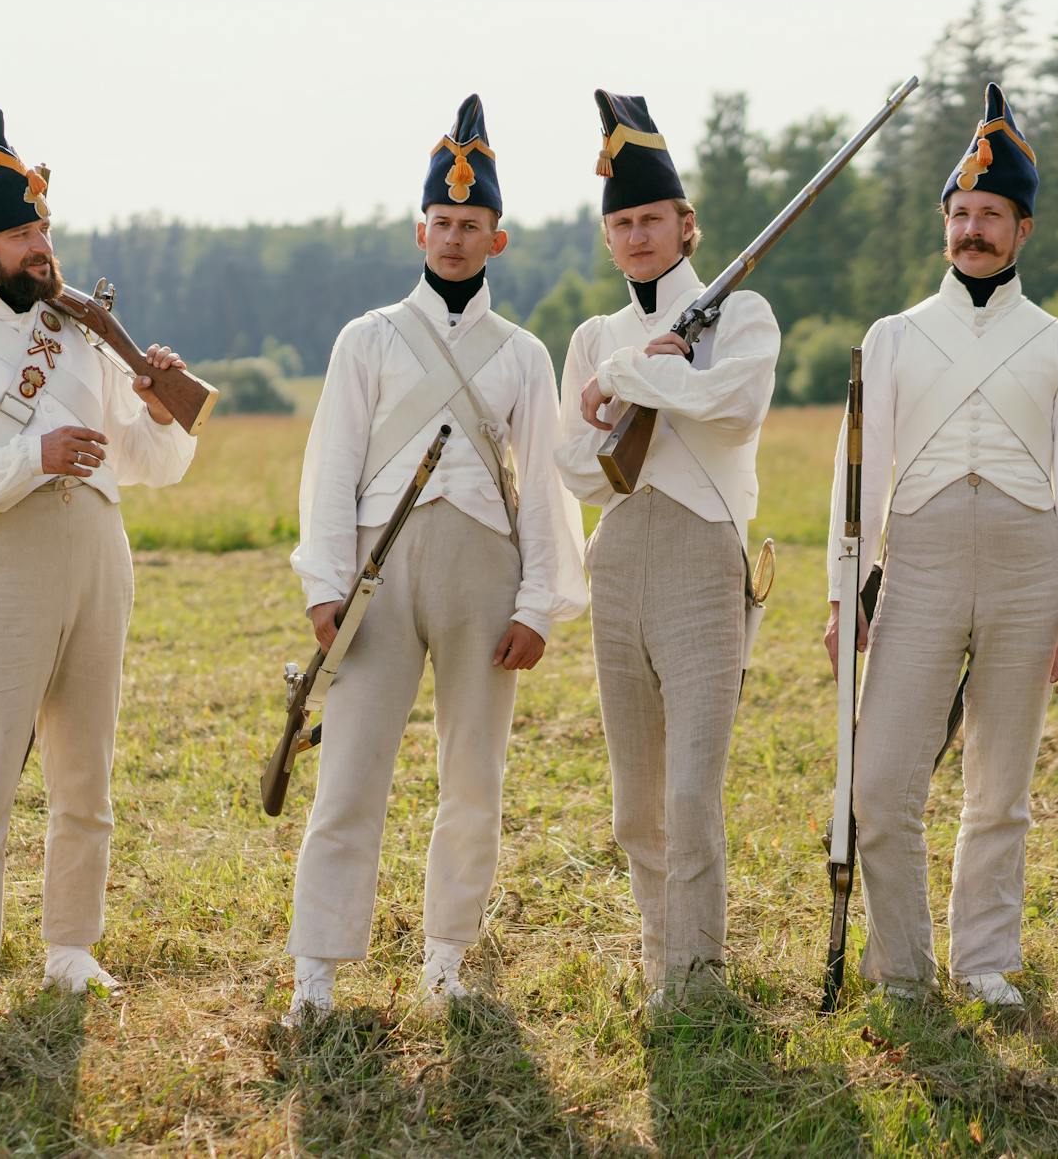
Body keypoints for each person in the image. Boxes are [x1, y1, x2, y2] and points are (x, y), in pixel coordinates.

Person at [0, 108, 198, 1016]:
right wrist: (35, 456)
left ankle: (70, 946)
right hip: (3, 557)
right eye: (22, 233)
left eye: (43, 228)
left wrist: (161, 409)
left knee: (86, 770)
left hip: (100, 551)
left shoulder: (82, 332)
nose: (41, 246)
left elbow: (153, 465)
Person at [285, 95, 585, 1020]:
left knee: (474, 777)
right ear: (421, 230)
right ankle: (318, 970)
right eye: (442, 224)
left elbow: (544, 484)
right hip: (380, 571)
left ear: (499, 240)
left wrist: (539, 602)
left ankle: (447, 956)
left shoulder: (525, 355)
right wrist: (326, 587)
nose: (454, 240)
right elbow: (331, 469)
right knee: (350, 775)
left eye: (472, 226)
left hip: (484, 574)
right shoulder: (367, 338)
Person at [823, 82, 1058, 1008]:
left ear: (1023, 230)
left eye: (990, 214)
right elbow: (857, 482)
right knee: (879, 783)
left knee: (1000, 785)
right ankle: (902, 967)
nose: (972, 229)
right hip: (923, 559)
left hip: (1032, 565)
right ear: (943, 224)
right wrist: (843, 594)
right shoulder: (895, 336)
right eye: (960, 213)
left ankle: (985, 962)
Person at [555, 90, 779, 1000]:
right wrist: (630, 372)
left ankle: (699, 974)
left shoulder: (743, 314)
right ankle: (660, 962)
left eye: (654, 219)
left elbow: (735, 408)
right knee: (634, 802)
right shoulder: (593, 336)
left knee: (692, 791)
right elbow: (574, 470)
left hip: (701, 556)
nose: (639, 235)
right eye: (623, 223)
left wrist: (644, 377)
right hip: (619, 560)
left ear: (689, 228)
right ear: (608, 240)